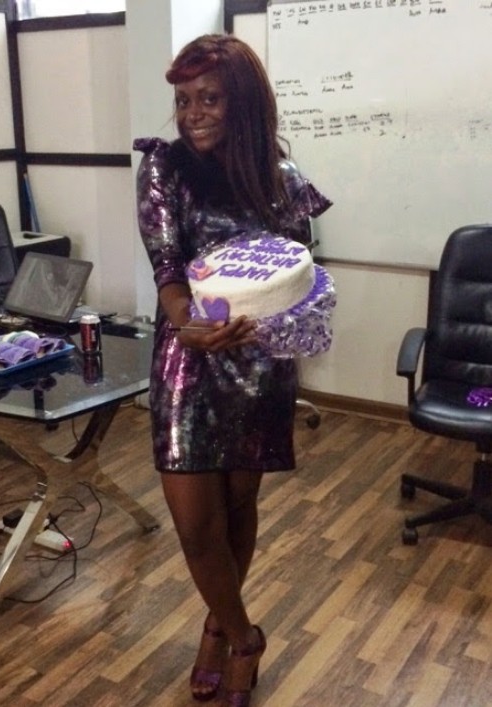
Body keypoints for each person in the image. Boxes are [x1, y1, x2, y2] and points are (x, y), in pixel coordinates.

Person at [133, 34, 332, 706]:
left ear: (242, 102)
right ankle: (246, 636)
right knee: (196, 524)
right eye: (184, 100)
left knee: (238, 505)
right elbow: (166, 264)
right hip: (186, 357)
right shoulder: (164, 167)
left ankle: (217, 626)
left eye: (210, 98)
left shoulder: (283, 178)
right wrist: (186, 320)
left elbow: (299, 272)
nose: (192, 113)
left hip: (256, 361)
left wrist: (270, 323)